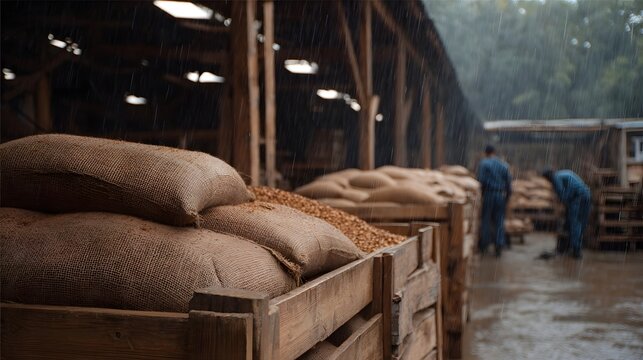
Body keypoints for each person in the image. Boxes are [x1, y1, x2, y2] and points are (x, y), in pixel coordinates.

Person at [542, 169, 591, 259]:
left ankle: (576, 251)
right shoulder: (562, 173)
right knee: (579, 222)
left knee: (575, 223)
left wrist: (562, 205)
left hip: (577, 197)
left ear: (548, 178)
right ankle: (572, 247)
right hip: (586, 194)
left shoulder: (555, 178)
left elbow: (562, 195)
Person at [477, 145, 512, 257]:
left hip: (488, 194)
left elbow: (480, 180)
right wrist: (506, 198)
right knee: (499, 221)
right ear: (494, 152)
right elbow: (509, 184)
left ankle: (485, 245)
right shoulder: (504, 165)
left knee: (486, 219)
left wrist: (481, 195)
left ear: (486, 153)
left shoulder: (484, 163)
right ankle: (498, 246)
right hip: (500, 194)